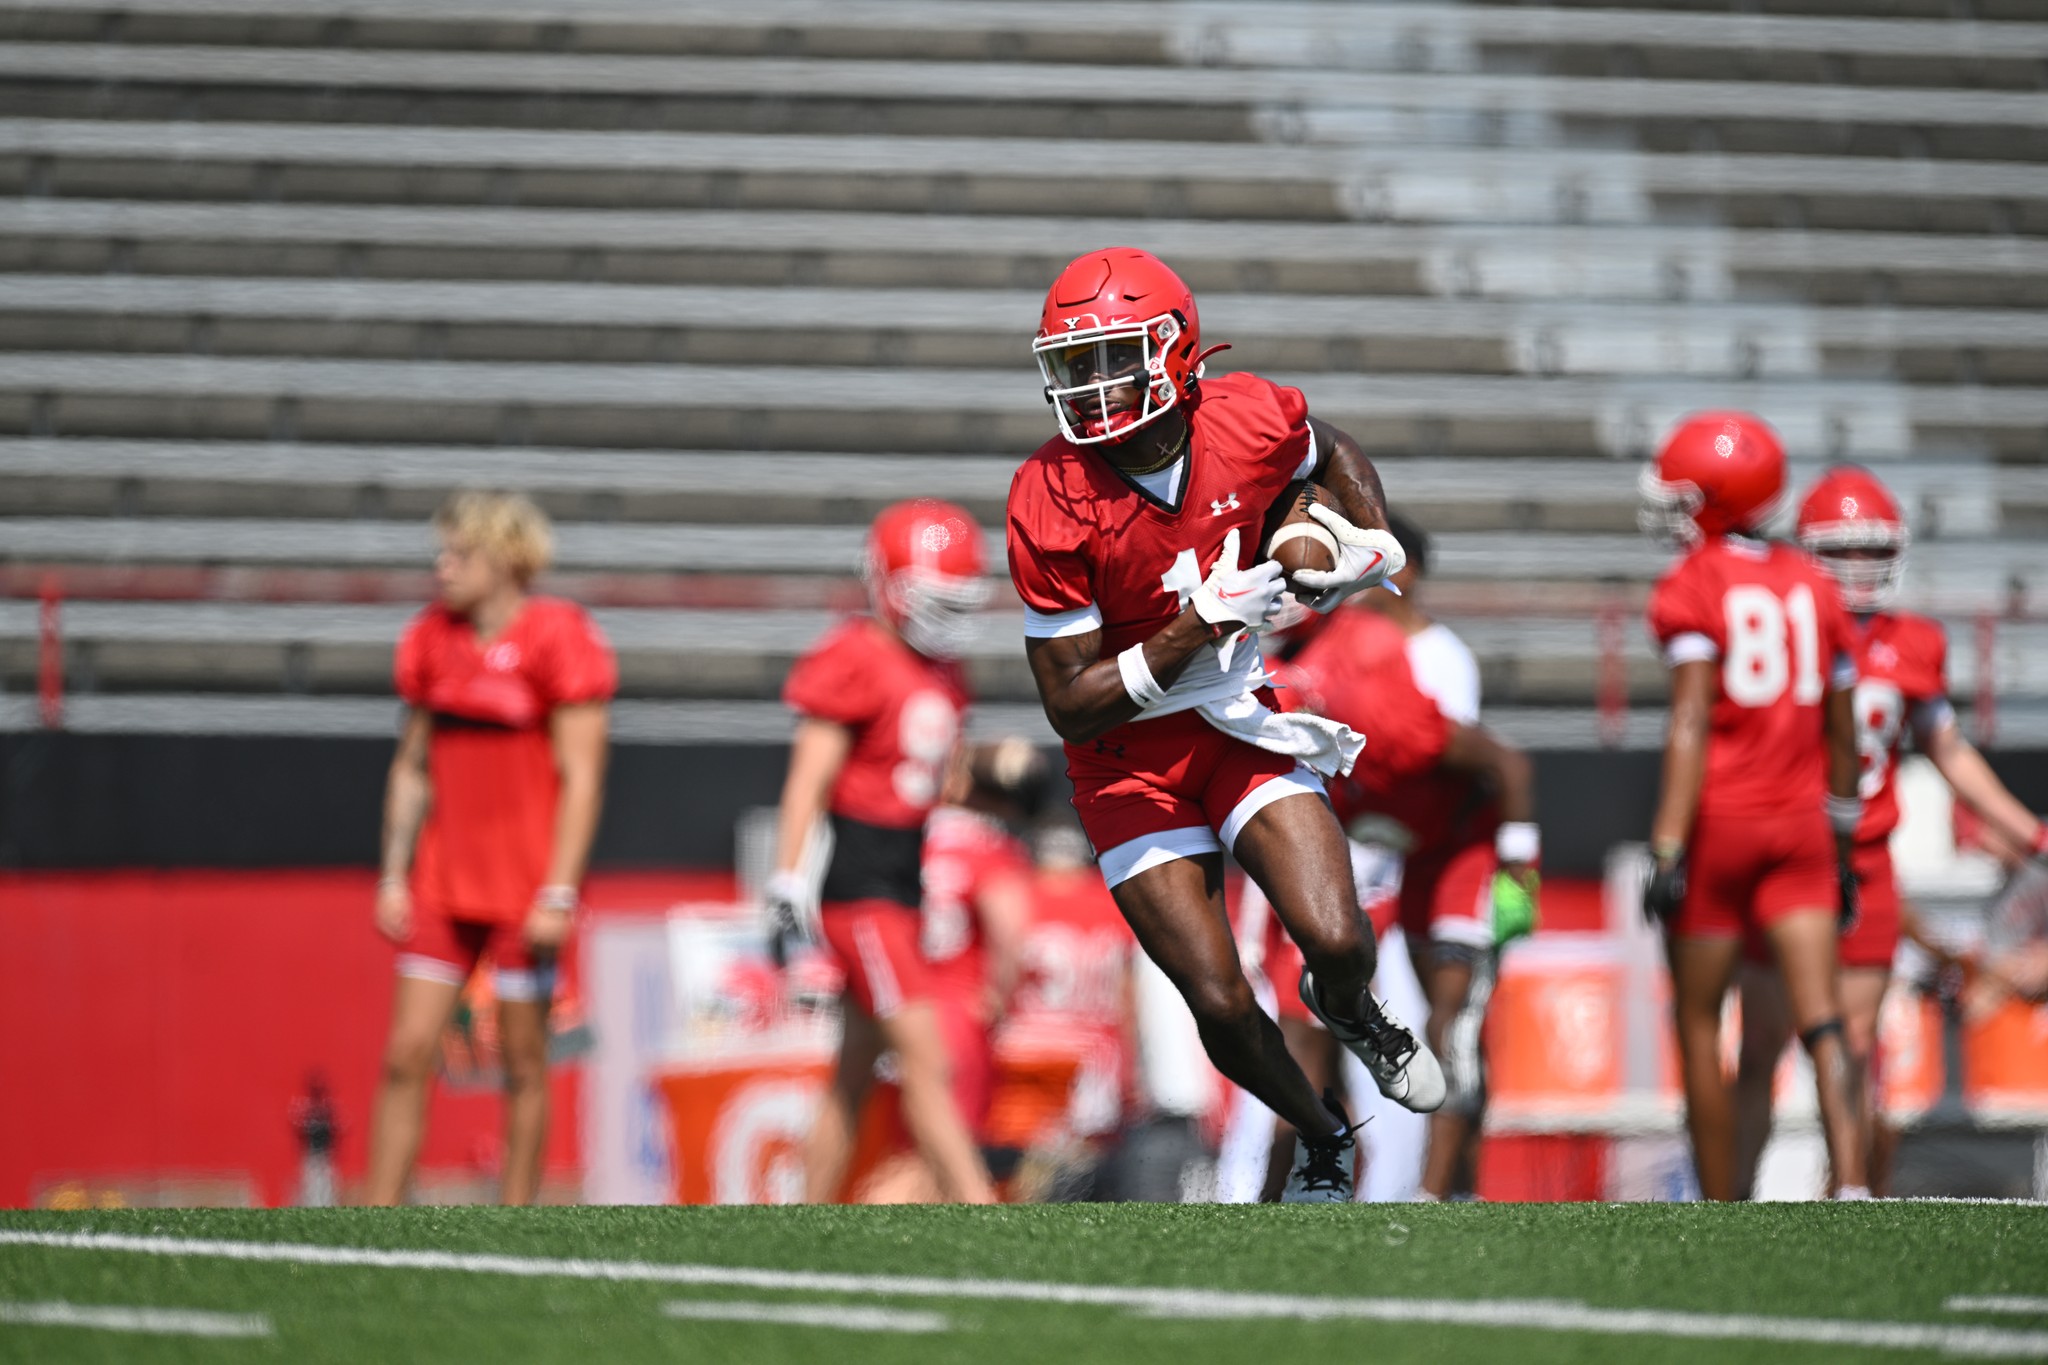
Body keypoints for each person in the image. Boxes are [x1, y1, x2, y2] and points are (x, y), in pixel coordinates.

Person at [1007, 245, 1444, 1205]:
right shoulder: (1049, 492)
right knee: (1216, 994)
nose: (1089, 387)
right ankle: (1327, 1135)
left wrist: (1363, 532)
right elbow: (1069, 700)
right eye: (1074, 366)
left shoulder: (1244, 413)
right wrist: (1196, 625)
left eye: (1110, 358)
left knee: (1335, 936)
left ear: (1174, 351)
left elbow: (1324, 450)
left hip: (1235, 721)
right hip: (1125, 763)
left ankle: (1354, 1012)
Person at [1731, 465, 2048, 1197]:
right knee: (1762, 1041)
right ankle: (1730, 1202)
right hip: (1786, 853)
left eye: (1869, 550)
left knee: (1854, 1039)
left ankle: (1846, 1191)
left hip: (1864, 857)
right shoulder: (1780, 629)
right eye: (1838, 551)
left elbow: (1950, 751)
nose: (1855, 568)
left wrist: (2033, 836)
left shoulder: (1914, 643)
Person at [1638, 412, 1869, 1202]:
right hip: (1804, 823)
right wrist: (1842, 841)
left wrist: (1667, 843)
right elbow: (1844, 731)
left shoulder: (1694, 582)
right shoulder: (1814, 582)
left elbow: (1692, 720)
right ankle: (1855, 1182)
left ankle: (1718, 1199)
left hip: (1723, 825)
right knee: (1823, 1017)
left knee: (1701, 1022)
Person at [368, 490, 615, 1206]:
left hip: (524, 886)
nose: (444, 567)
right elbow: (412, 765)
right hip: (445, 881)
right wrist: (393, 873)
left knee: (524, 1061)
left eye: (461, 553)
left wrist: (559, 892)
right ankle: (375, 1216)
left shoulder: (557, 636)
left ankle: (514, 1219)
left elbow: (582, 776)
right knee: (407, 1051)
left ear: (506, 560)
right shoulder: (429, 640)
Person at [1257, 590, 1538, 1201]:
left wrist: (1519, 866)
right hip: (1393, 846)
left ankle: (1436, 1195)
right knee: (1314, 1004)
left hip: (1458, 849)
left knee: (1451, 1023)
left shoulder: (1376, 695)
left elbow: (1507, 766)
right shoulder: (1292, 666)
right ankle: (1329, 1177)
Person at [768, 498, 999, 1205]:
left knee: (855, 1071)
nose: (948, 616)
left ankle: (798, 1218)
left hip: (904, 877)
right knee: (927, 1062)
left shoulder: (942, 670)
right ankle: (979, 1207)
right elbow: (810, 775)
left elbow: (941, 774)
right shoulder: (853, 654)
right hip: (861, 881)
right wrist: (786, 876)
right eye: (936, 599)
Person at [857, 740, 1038, 1203]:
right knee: (939, 1159)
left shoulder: (911, 838)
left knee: (919, 1151)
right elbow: (1009, 932)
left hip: (907, 1006)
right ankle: (852, 1246)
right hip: (958, 1009)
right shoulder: (989, 848)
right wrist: (998, 996)